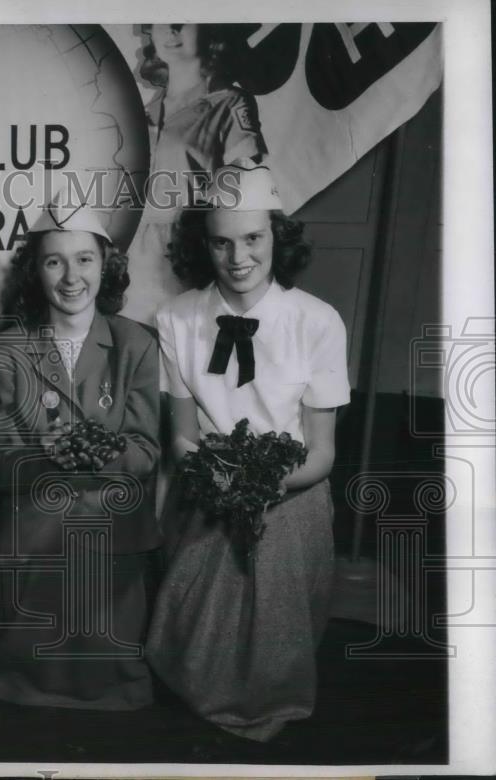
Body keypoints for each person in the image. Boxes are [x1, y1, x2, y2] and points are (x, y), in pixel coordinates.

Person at [148, 160, 351, 741]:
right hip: (207, 485)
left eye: (253, 238)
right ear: (204, 245)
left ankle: (268, 692)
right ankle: (198, 685)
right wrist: (221, 483)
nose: (238, 258)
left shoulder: (317, 322)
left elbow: (321, 455)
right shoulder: (177, 318)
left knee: (275, 557)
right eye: (221, 243)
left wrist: (261, 488)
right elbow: (181, 438)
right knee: (206, 591)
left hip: (293, 491)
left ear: (277, 236)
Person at [0, 194, 162, 711]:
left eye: (84, 259)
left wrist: (95, 452)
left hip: (109, 529)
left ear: (107, 266)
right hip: (35, 528)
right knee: (19, 677)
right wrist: (44, 458)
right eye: (54, 261)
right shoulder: (10, 349)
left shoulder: (137, 344)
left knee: (109, 677)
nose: (70, 277)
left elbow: (146, 451)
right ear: (35, 272)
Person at [124, 23, 267, 326]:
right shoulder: (143, 112)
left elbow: (247, 190)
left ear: (211, 32)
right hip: (132, 261)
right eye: (163, 19)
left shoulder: (229, 103)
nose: (171, 30)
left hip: (187, 261)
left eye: (183, 19)